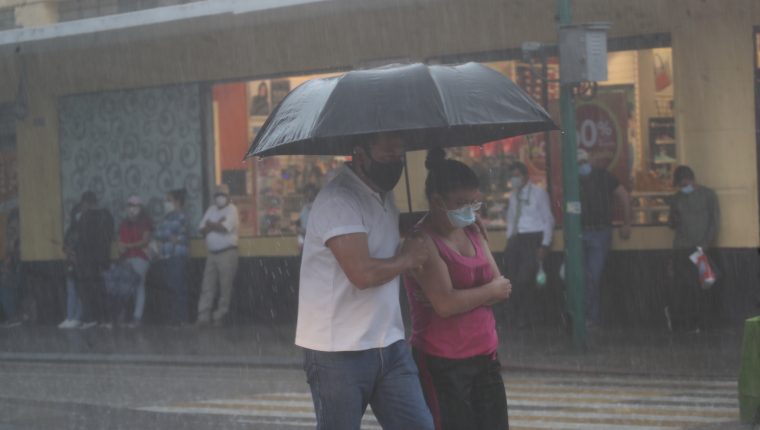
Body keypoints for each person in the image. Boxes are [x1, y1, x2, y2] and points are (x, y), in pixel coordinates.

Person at [296, 133, 434, 430]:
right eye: (387, 155)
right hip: (338, 350)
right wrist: (408, 259)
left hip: (389, 341)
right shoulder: (339, 200)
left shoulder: (383, 194)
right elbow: (362, 273)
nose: (396, 162)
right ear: (360, 155)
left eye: (400, 154)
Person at [403, 148, 512, 430]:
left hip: (485, 355)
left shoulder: (472, 230)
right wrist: (488, 292)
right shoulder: (422, 240)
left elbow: (502, 285)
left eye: (474, 204)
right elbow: (446, 304)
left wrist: (483, 292)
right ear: (437, 201)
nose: (470, 211)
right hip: (444, 363)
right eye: (462, 204)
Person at [578, 149, 631, 328]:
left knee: (593, 276)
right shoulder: (573, 179)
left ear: (590, 161)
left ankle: (591, 317)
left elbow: (624, 196)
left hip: (600, 232)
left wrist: (627, 223)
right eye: (578, 164)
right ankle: (586, 316)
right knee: (581, 277)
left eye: (584, 162)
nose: (582, 166)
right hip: (580, 232)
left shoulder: (603, 176)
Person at [666, 165, 720, 332]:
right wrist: (673, 219)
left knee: (704, 286)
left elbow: (715, 221)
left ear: (692, 180)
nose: (683, 189)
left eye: (685, 184)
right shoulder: (676, 199)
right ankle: (686, 322)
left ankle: (701, 322)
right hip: (681, 249)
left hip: (700, 250)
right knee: (684, 288)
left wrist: (706, 243)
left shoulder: (708, 195)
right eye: (680, 186)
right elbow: (671, 224)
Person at [503, 161, 554, 328]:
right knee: (512, 279)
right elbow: (511, 219)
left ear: (526, 177)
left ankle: (529, 318)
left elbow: (548, 220)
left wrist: (545, 245)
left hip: (533, 239)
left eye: (517, 176)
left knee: (525, 279)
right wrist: (510, 239)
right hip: (516, 240)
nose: (514, 179)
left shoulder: (539, 194)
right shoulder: (513, 196)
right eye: (512, 176)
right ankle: (517, 318)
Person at [196, 184, 239, 327]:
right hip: (212, 254)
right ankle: (203, 316)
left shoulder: (232, 210)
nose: (220, 197)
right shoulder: (211, 209)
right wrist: (216, 224)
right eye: (217, 195)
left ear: (228, 197)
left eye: (223, 195)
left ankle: (220, 316)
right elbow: (201, 230)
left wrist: (211, 225)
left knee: (225, 287)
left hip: (227, 252)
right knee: (207, 285)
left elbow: (224, 228)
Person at [73, 192, 114, 329]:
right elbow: (110, 235)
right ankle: (106, 319)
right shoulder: (106, 215)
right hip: (103, 258)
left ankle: (92, 318)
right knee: (102, 289)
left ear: (85, 203)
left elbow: (81, 240)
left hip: (87, 260)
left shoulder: (84, 218)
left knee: (88, 290)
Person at [153, 189, 190, 325]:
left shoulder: (182, 217)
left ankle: (182, 319)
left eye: (169, 200)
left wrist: (166, 236)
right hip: (165, 257)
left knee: (178, 288)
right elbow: (158, 234)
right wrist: (167, 237)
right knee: (170, 288)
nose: (165, 203)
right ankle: (174, 319)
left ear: (177, 202)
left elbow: (174, 236)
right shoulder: (165, 218)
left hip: (177, 257)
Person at [117, 195, 152, 327]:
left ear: (140, 208)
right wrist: (120, 247)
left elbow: (145, 241)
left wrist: (128, 246)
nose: (132, 208)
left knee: (138, 286)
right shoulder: (123, 223)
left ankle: (137, 317)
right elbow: (120, 240)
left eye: (135, 205)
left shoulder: (145, 223)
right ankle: (123, 316)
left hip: (140, 257)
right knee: (124, 287)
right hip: (126, 258)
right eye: (130, 205)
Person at [59, 203, 84, 329]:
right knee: (71, 291)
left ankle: (77, 318)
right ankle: (69, 317)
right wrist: (68, 251)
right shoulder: (70, 229)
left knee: (81, 292)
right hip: (70, 264)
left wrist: (77, 254)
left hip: (82, 264)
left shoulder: (86, 229)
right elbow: (64, 246)